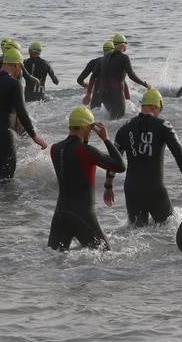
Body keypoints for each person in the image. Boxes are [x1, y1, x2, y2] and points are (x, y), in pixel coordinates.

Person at [47, 106, 125, 250]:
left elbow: (76, 163)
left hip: (60, 215)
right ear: (85, 127)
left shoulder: (55, 149)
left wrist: (86, 137)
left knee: (54, 261)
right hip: (82, 214)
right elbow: (120, 166)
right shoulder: (86, 151)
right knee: (105, 257)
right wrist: (106, 140)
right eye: (90, 128)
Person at [0, 46, 47, 184]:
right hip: (2, 136)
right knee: (7, 177)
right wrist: (34, 136)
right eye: (21, 67)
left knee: (2, 173)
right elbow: (22, 112)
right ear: (17, 65)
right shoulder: (14, 83)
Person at [113, 89, 182, 225]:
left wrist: (108, 186)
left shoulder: (124, 128)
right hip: (154, 188)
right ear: (156, 106)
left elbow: (113, 160)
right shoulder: (163, 125)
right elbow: (178, 152)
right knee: (168, 227)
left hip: (132, 190)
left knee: (136, 233)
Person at [90, 33, 148, 120]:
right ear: (122, 45)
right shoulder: (124, 58)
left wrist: (88, 94)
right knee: (118, 119)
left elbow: (93, 76)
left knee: (111, 118)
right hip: (115, 94)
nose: (126, 47)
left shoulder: (104, 58)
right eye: (126, 44)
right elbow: (131, 75)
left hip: (103, 95)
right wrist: (144, 84)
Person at [76, 41, 114, 108]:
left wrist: (86, 86)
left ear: (103, 51)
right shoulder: (116, 63)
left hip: (96, 98)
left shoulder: (93, 62)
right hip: (111, 98)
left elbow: (79, 80)